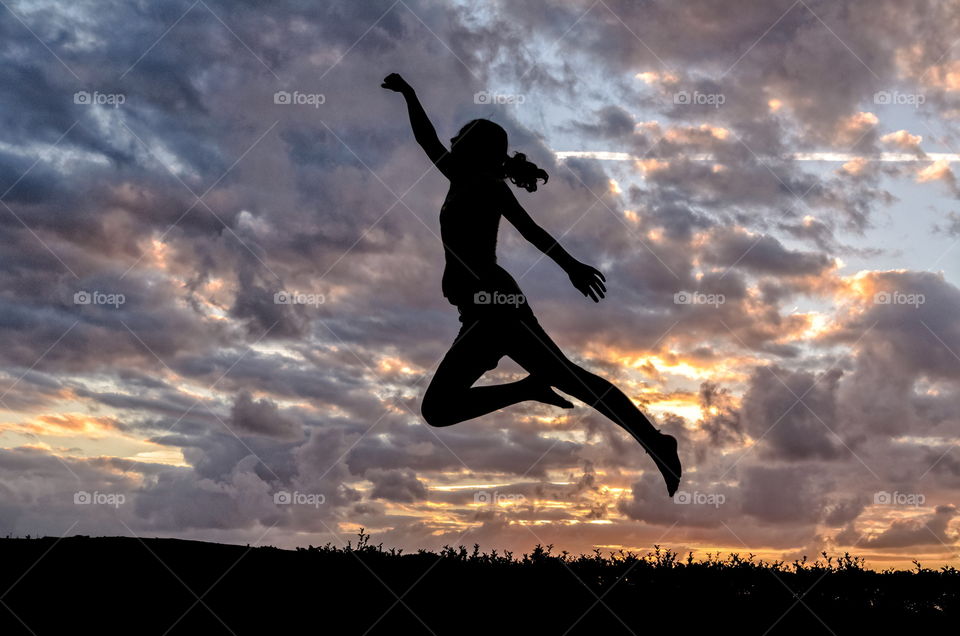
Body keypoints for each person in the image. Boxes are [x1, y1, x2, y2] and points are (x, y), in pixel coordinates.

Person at [382, 73, 681, 496]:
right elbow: (425, 138)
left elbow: (532, 231)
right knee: (445, 407)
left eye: (462, 136)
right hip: (479, 310)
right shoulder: (459, 177)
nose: (452, 141)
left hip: (496, 307)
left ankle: (654, 441)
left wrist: (572, 266)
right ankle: (544, 394)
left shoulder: (488, 185)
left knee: (455, 403)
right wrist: (410, 94)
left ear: (475, 147)